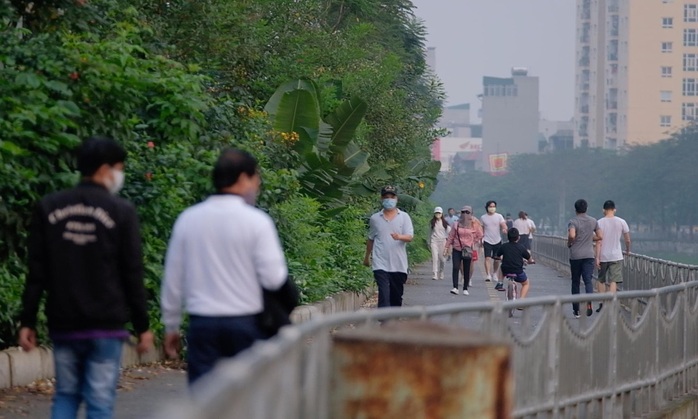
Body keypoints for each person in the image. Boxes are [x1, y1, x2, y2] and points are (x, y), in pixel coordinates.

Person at [18, 136, 154, 419]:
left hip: (65, 323)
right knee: (100, 401)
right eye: (119, 167)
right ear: (106, 169)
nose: (120, 174)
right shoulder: (121, 212)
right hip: (106, 326)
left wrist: (27, 321)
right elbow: (132, 272)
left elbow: (37, 270)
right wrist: (143, 326)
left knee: (66, 394)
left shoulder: (50, 206)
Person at [160, 149, 297, 385]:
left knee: (205, 400)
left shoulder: (189, 219)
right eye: (256, 179)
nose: (257, 185)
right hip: (244, 325)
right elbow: (274, 278)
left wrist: (171, 325)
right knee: (244, 397)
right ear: (243, 179)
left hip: (202, 324)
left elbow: (173, 279)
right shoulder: (256, 221)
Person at [363, 185, 414, 307]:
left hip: (398, 264)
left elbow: (410, 237)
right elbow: (371, 239)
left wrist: (399, 237)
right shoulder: (375, 218)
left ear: (396, 199)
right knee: (384, 294)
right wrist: (366, 257)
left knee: (396, 297)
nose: (389, 200)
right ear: (381, 199)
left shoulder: (404, 217)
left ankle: (393, 320)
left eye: (392, 197)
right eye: (386, 197)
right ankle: (384, 321)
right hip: (380, 263)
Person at [568, 198, 603, 318]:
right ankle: (589, 302)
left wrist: (570, 242)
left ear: (575, 209)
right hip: (589, 255)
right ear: (586, 208)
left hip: (576, 255)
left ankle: (576, 310)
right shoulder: (593, 221)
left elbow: (572, 235)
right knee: (588, 280)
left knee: (575, 282)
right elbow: (600, 236)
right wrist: (588, 237)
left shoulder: (573, 221)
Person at [595, 200, 631, 312]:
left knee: (601, 279)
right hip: (616, 255)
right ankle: (610, 303)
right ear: (614, 209)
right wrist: (628, 250)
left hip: (603, 255)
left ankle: (601, 302)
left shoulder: (599, 223)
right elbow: (627, 239)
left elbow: (598, 242)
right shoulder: (621, 222)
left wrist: (597, 257)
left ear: (603, 210)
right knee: (613, 281)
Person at [444, 206, 483, 296]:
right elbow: (451, 236)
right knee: (456, 267)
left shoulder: (474, 224)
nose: (465, 214)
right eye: (463, 212)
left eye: (467, 212)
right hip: (457, 248)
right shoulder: (456, 224)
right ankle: (455, 287)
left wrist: (473, 241)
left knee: (466, 268)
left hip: (468, 249)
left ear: (471, 214)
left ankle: (465, 288)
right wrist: (446, 247)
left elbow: (480, 235)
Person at [496, 228, 535, 300]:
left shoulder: (504, 246)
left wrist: (500, 258)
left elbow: (497, 256)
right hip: (518, 271)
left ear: (508, 237)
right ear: (518, 237)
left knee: (501, 266)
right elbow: (529, 258)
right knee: (526, 283)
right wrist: (531, 261)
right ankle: (521, 301)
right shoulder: (521, 247)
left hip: (506, 270)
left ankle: (500, 283)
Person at [480, 200, 508, 290]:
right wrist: (480, 239)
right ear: (487, 207)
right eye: (490, 206)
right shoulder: (483, 217)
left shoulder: (499, 216)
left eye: (493, 206)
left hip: (497, 240)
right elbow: (481, 229)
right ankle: (488, 274)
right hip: (487, 240)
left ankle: (495, 273)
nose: (492, 208)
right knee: (487, 258)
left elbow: (503, 225)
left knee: (497, 259)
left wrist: (504, 229)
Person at [429, 206, 450, 280]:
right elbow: (429, 233)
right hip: (434, 241)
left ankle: (441, 271)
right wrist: (428, 242)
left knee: (442, 259)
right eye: (436, 213)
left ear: (442, 214)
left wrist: (448, 245)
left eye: (439, 213)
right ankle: (434, 273)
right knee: (435, 258)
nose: (438, 214)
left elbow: (449, 234)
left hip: (443, 241)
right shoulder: (432, 222)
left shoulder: (445, 223)